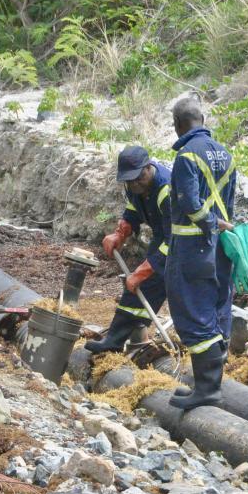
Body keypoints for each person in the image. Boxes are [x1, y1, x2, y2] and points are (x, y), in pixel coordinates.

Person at [165, 96, 236, 410]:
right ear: (202, 119)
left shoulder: (186, 156)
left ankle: (207, 390)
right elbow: (230, 205)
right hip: (221, 246)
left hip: (192, 247)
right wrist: (218, 228)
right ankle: (209, 386)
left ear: (178, 125)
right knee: (217, 306)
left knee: (192, 310)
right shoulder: (226, 155)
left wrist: (207, 223)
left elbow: (190, 203)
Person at [85, 145, 173, 354]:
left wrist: (143, 272)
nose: (133, 184)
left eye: (137, 178)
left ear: (148, 167)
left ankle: (117, 340)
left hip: (184, 242)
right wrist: (121, 232)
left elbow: (173, 240)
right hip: (163, 235)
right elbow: (133, 209)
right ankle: (122, 338)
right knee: (141, 289)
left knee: (149, 283)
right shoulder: (135, 186)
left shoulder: (167, 190)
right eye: (129, 180)